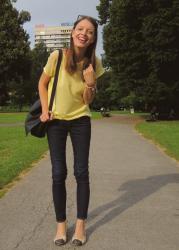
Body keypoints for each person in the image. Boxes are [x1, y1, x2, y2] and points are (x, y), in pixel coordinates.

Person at [38, 15, 105, 246]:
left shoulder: (94, 63)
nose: (83, 33)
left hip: (80, 121)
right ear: (73, 32)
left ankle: (80, 226)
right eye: (80, 28)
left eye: (89, 31)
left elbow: (88, 101)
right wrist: (45, 110)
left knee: (81, 172)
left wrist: (90, 83)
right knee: (58, 173)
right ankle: (60, 225)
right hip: (55, 121)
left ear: (93, 38)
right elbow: (42, 83)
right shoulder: (57, 56)